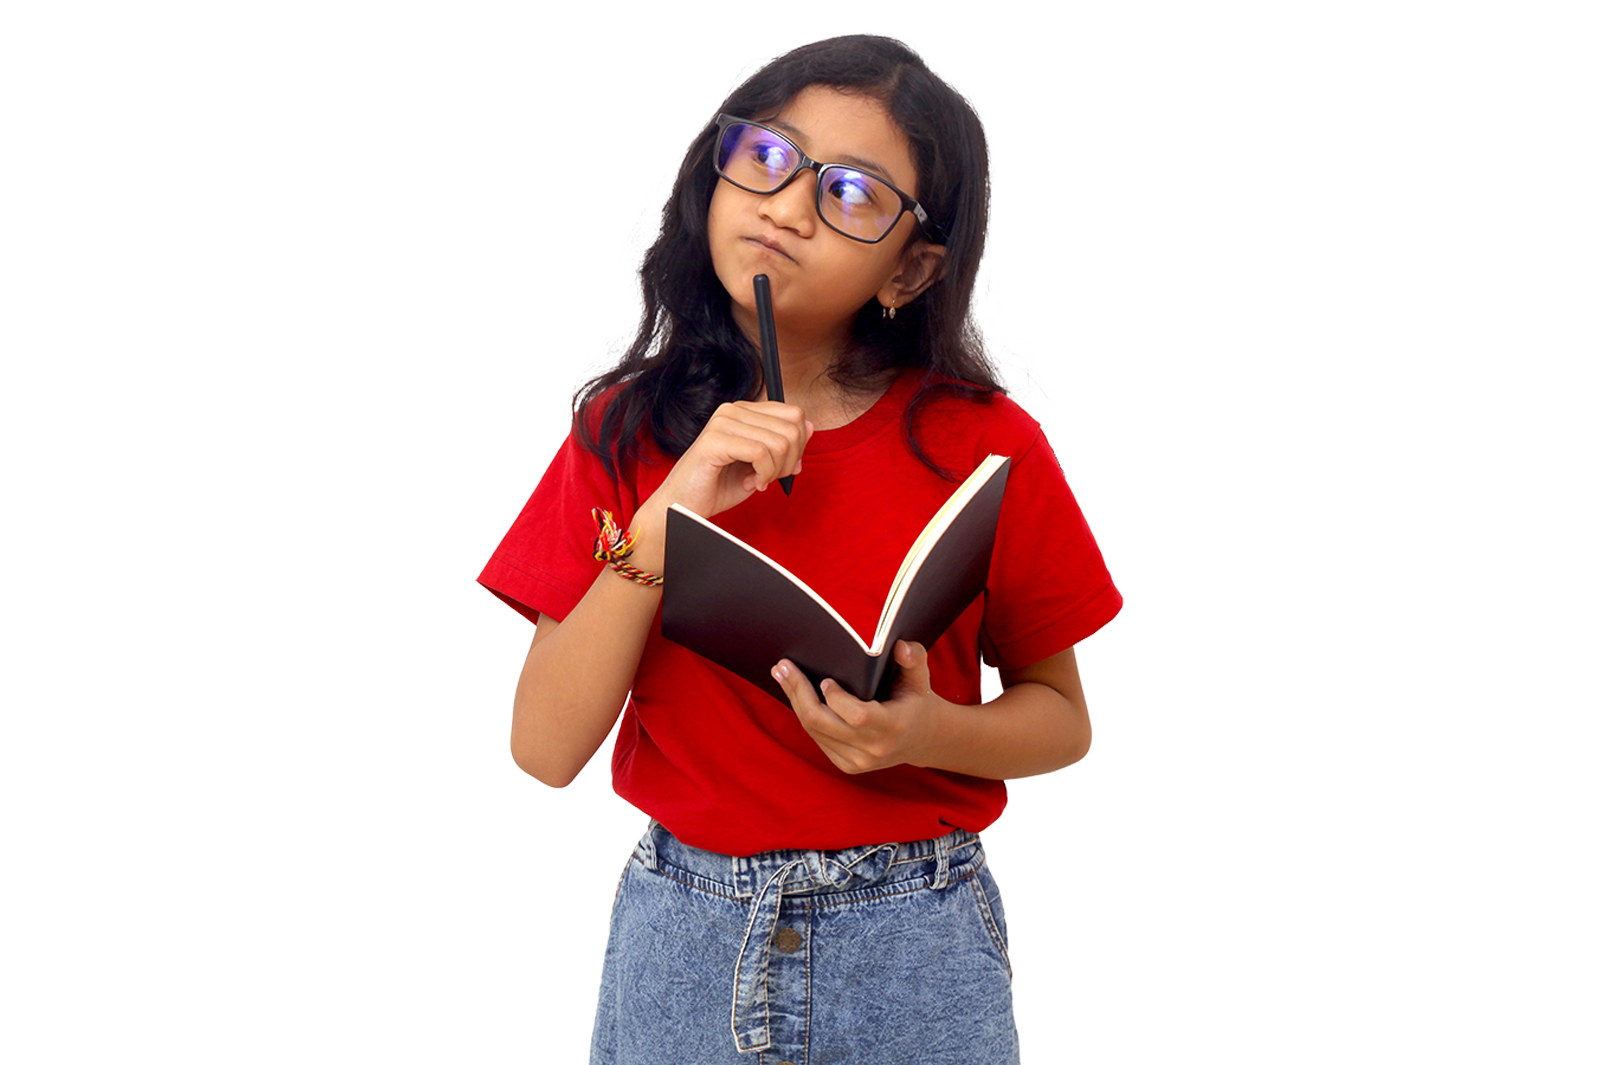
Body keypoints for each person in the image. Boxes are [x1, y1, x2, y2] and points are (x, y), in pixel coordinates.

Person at [477, 33, 1121, 1063]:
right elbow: (545, 750)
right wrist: (663, 523)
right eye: (766, 158)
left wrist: (923, 735)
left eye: (851, 194)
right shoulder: (624, 430)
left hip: (916, 933)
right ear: (712, 176)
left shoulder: (982, 442)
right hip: (683, 931)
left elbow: (1059, 720)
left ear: (908, 268)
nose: (785, 206)